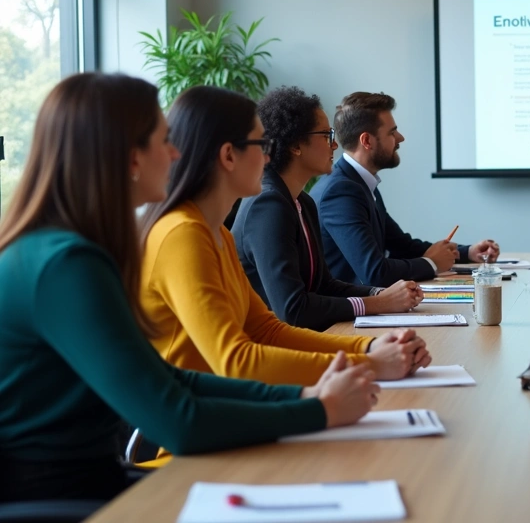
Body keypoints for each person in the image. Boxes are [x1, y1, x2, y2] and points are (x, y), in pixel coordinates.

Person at [0, 74, 377, 504]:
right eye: (164, 140)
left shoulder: (68, 250)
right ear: (130, 157)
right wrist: (319, 408)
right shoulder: (65, 265)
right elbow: (177, 420)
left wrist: (309, 396)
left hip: (90, 483)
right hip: (63, 500)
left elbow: (171, 379)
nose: (176, 152)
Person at [140, 86, 430, 386]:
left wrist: (369, 346)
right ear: (228, 156)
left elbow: (268, 331)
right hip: (204, 405)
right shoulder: (184, 235)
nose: (269, 156)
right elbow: (237, 361)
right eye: (261, 144)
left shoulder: (217, 233)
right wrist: (370, 363)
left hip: (232, 396)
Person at [233, 86, 425, 331]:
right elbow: (293, 310)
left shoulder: (302, 202)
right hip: (266, 344)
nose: (334, 145)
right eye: (326, 135)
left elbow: (324, 285)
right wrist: (378, 303)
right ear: (296, 145)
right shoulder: (268, 205)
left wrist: (380, 293)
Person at [312, 91, 499, 285]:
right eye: (392, 132)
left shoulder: (359, 183)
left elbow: (401, 245)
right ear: (366, 141)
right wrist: (431, 263)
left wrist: (466, 252)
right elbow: (375, 272)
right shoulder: (340, 192)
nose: (400, 138)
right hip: (350, 305)